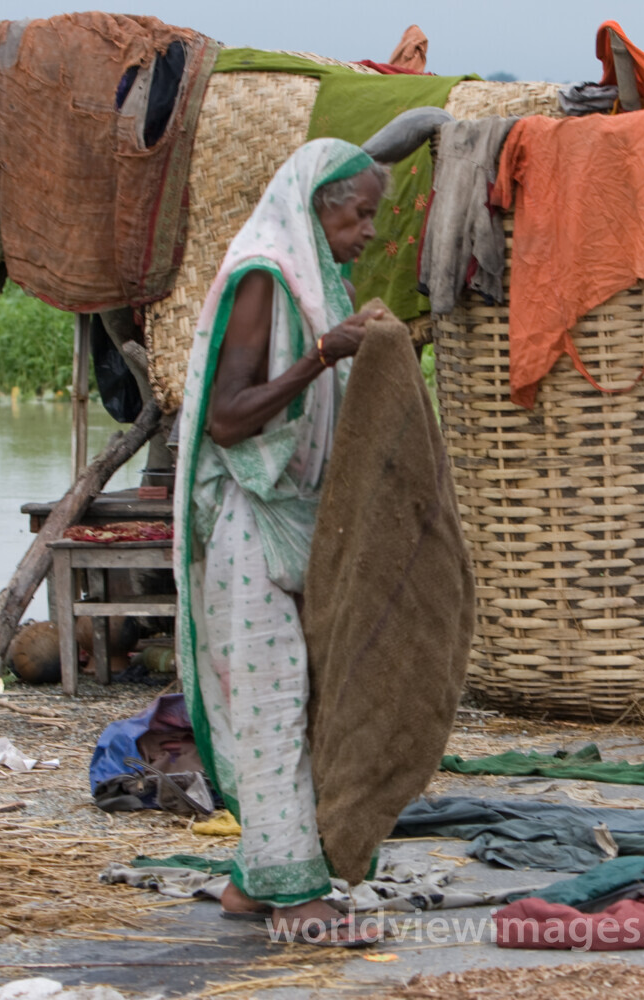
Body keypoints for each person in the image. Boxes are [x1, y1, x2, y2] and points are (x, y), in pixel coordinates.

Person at [173, 138, 391, 946]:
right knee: (270, 704)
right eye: (358, 212)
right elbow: (230, 418)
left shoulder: (315, 277)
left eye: (371, 213)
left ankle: (249, 883)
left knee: (293, 701)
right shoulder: (266, 275)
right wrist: (323, 356)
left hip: (289, 519)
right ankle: (296, 895)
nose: (367, 230)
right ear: (315, 204)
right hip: (248, 522)